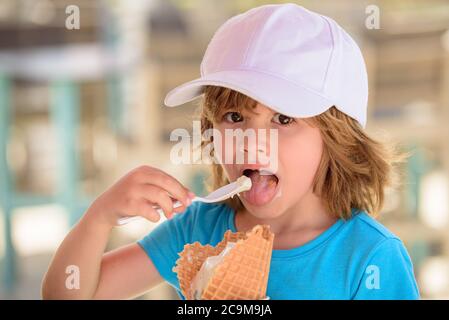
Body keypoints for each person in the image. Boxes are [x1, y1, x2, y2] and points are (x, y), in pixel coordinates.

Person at [42, 3, 419, 299]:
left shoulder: (370, 257)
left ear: (338, 139)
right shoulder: (198, 231)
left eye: (283, 118)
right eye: (234, 116)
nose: (252, 141)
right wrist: (100, 217)